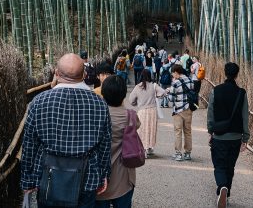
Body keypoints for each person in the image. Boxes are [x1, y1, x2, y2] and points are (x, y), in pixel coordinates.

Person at [21, 53, 111, 208]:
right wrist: (103, 175)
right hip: (87, 179)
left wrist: (27, 180)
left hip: (47, 178)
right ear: (84, 75)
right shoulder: (100, 104)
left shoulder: (39, 102)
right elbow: (105, 146)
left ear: (56, 73)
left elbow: (29, 145)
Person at [207, 62, 249, 208]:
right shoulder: (241, 93)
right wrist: (246, 137)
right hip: (236, 137)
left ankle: (222, 187)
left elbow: (210, 113)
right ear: (237, 74)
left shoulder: (216, 91)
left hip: (219, 135)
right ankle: (227, 194)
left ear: (225, 73)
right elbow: (245, 116)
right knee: (230, 166)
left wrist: (210, 130)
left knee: (219, 165)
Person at [97, 75, 140, 208]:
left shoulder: (97, 114)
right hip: (124, 177)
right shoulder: (131, 116)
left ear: (103, 94)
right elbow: (137, 125)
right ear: (123, 95)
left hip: (99, 176)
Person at [128, 68, 166, 156]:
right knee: (150, 130)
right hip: (152, 111)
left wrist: (135, 103)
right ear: (150, 76)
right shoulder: (154, 86)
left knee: (141, 130)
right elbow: (163, 93)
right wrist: (156, 96)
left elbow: (131, 100)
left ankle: (142, 149)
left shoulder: (137, 87)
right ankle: (148, 148)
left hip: (142, 111)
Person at [168, 63, 194, 161]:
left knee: (178, 131)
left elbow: (171, 99)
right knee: (188, 131)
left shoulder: (175, 83)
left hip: (178, 110)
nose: (172, 75)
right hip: (188, 109)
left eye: (172, 73)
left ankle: (178, 154)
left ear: (176, 72)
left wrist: (168, 91)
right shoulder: (190, 80)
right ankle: (187, 153)